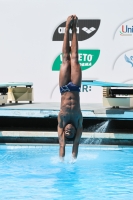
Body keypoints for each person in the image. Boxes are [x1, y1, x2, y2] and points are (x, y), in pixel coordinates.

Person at [58, 15, 83, 161]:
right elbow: (76, 146)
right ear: (75, 131)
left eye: (66, 132)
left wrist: (61, 161)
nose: (67, 130)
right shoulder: (78, 122)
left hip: (63, 87)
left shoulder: (61, 122)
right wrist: (73, 159)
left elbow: (62, 145)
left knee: (65, 58)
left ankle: (67, 27)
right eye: (70, 132)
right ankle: (75, 29)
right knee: (75, 58)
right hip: (75, 86)